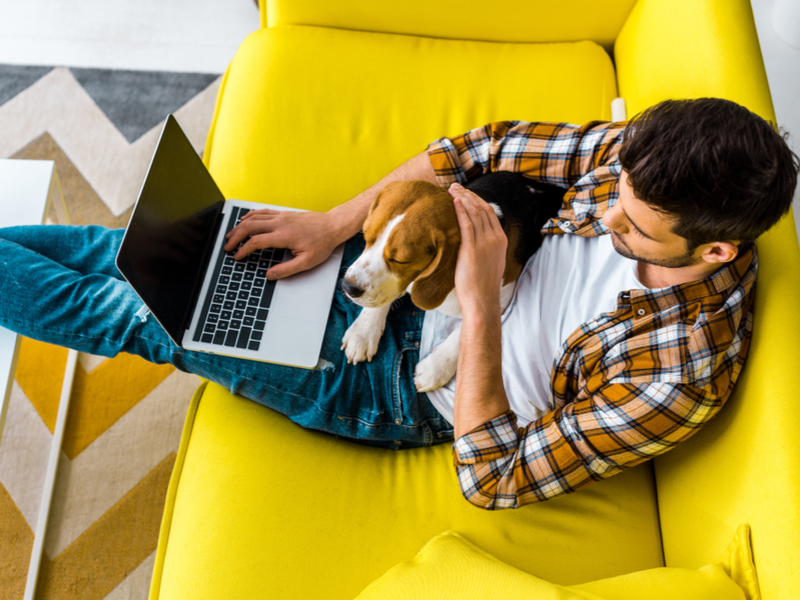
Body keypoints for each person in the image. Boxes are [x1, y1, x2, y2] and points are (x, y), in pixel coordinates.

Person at [0, 98, 797, 509]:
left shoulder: (679, 371)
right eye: (613, 192)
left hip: (399, 386)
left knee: (137, 312)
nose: (608, 213)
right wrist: (337, 225)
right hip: (403, 270)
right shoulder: (640, 163)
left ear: (717, 251)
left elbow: (495, 479)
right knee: (161, 256)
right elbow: (473, 149)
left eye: (634, 224)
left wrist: (479, 306)